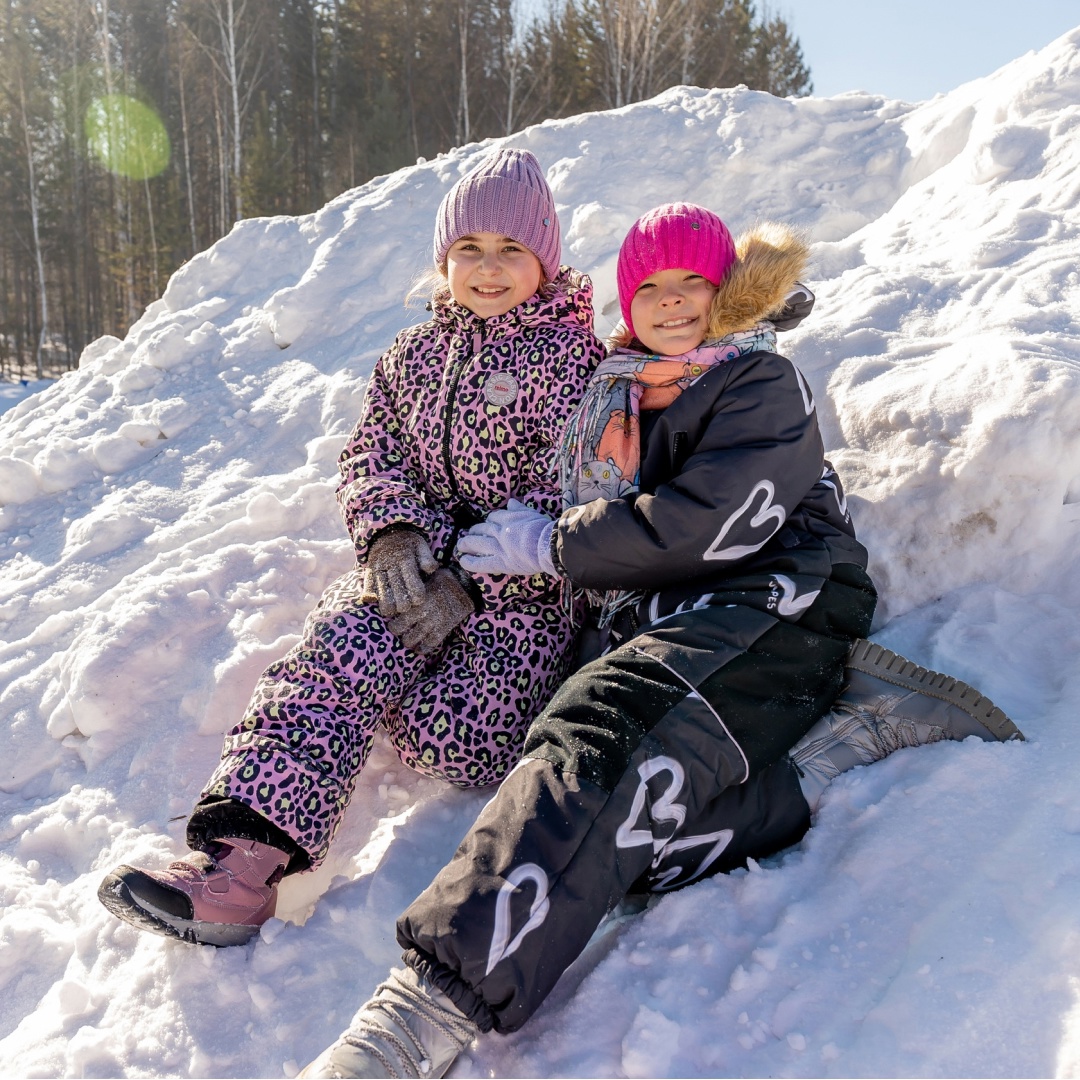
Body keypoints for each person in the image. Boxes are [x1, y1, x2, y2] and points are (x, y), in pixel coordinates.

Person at [298, 203, 1023, 1078]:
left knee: (602, 741)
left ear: (727, 296)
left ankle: (417, 1019)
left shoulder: (755, 380)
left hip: (772, 600)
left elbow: (712, 521)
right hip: (663, 623)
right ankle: (833, 746)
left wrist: (555, 544)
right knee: (611, 853)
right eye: (651, 286)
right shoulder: (621, 391)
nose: (673, 301)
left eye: (694, 284)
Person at [96, 148, 606, 948]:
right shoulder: (413, 355)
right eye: (468, 249)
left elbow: (566, 494)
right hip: (414, 564)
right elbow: (374, 454)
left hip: (517, 601)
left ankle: (371, 701)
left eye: (512, 249)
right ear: (444, 261)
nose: (489, 268)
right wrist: (392, 530)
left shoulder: (572, 361)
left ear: (545, 259)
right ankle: (239, 867)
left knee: (453, 733)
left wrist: (470, 586)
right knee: (337, 650)